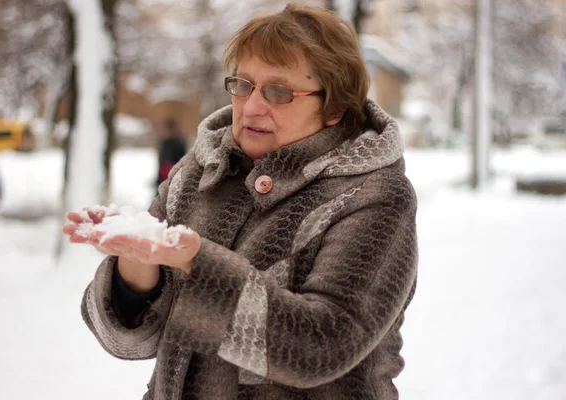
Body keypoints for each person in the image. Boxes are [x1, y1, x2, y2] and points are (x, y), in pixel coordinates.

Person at [63, 5, 418, 399]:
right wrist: (135, 264)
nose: (250, 106)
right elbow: (134, 341)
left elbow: (323, 345)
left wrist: (196, 263)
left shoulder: (374, 195)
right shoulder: (199, 173)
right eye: (243, 84)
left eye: (279, 92)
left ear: (334, 107)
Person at [155, 118, 186, 191]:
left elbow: (182, 161)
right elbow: (161, 161)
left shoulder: (179, 143)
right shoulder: (163, 143)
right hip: (162, 178)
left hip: (175, 177)